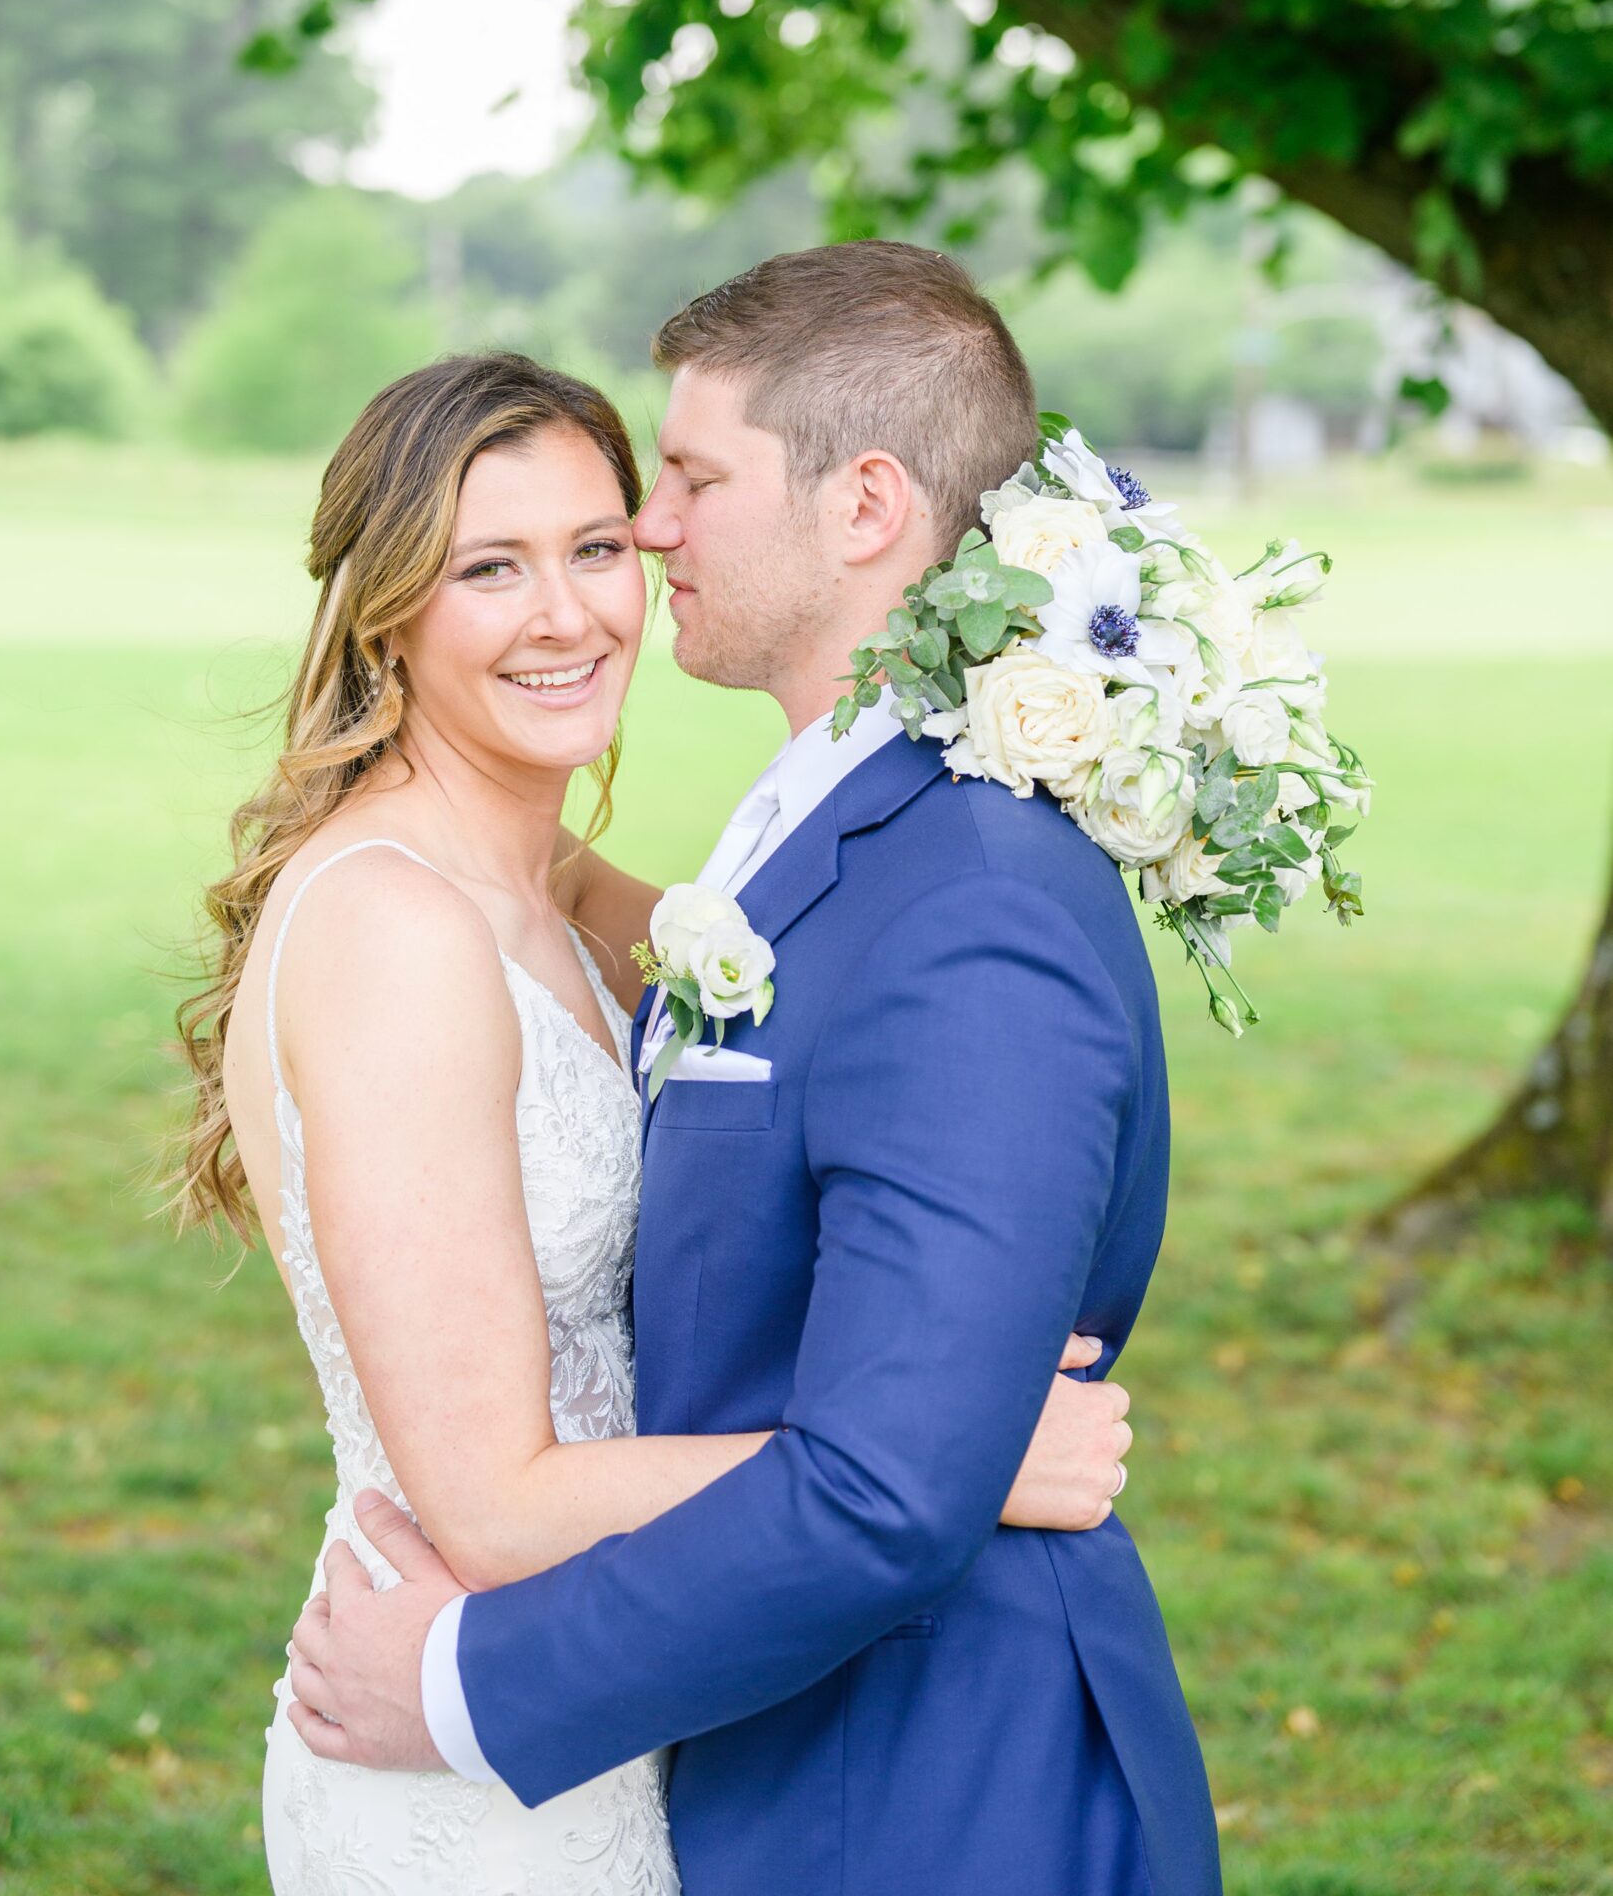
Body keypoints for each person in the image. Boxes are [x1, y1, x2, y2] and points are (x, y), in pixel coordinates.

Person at [282, 244, 1223, 1896]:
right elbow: (767, 1006)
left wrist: (938, 1459)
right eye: (493, 565)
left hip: (920, 1787)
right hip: (665, 1721)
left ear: (863, 507)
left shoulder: (962, 897)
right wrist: (962, 1458)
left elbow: (877, 1492)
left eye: (679, 486)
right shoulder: (814, 839)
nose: (646, 541)